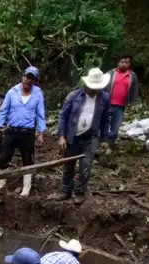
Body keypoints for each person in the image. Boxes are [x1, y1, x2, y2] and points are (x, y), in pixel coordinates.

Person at [55, 68, 111, 205]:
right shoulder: (73, 96)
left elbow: (105, 120)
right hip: (72, 136)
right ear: (86, 84)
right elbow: (63, 117)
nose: (95, 90)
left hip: (90, 138)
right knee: (68, 165)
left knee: (85, 167)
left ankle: (80, 192)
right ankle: (66, 190)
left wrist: (104, 139)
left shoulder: (104, 98)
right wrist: (61, 136)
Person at [0, 66, 46, 197]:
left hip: (28, 132)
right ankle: (1, 183)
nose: (28, 80)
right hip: (12, 130)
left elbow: (40, 114)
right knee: (4, 156)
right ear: (23, 76)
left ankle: (26, 188)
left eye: (31, 78)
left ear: (35, 81)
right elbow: (3, 110)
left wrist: (41, 133)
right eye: (27, 76)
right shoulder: (12, 92)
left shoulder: (38, 94)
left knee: (27, 159)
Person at [106, 54, 139, 144]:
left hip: (120, 106)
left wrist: (132, 103)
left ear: (130, 64)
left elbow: (134, 90)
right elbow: (103, 86)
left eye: (126, 62)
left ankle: (110, 144)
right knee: (104, 124)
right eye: (122, 62)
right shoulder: (111, 73)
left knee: (115, 127)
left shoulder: (133, 76)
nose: (124, 64)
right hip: (107, 104)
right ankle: (101, 142)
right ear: (118, 63)